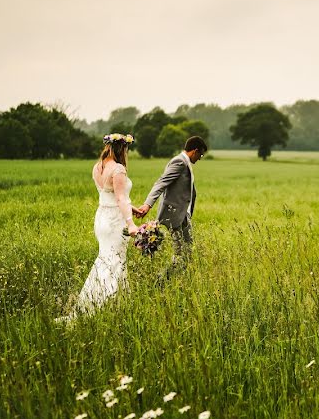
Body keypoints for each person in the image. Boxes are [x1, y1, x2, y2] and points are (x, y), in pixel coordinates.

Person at [58, 133, 141, 322]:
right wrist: (131, 224)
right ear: (122, 149)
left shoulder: (97, 167)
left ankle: (115, 305)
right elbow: (119, 198)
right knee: (115, 262)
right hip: (115, 221)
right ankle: (100, 305)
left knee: (106, 260)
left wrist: (132, 208)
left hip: (102, 218)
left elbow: (109, 195)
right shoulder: (118, 169)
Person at [135, 136, 207, 282]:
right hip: (174, 216)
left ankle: (176, 280)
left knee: (188, 252)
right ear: (195, 150)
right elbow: (161, 183)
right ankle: (160, 282)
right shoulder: (179, 162)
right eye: (201, 155)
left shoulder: (185, 162)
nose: (200, 158)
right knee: (181, 253)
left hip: (183, 215)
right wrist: (147, 204)